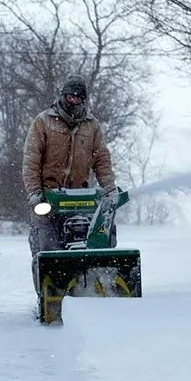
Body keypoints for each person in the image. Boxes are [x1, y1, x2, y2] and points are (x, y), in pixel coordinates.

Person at [21, 74, 118, 275]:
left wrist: (109, 189)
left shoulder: (91, 126)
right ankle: (50, 287)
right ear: (63, 96)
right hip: (49, 197)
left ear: (84, 100)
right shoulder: (44, 122)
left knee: (102, 235)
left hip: (82, 197)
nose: (74, 100)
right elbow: (31, 160)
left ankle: (99, 278)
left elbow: (102, 160)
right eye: (71, 96)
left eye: (78, 97)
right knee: (46, 248)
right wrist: (35, 193)